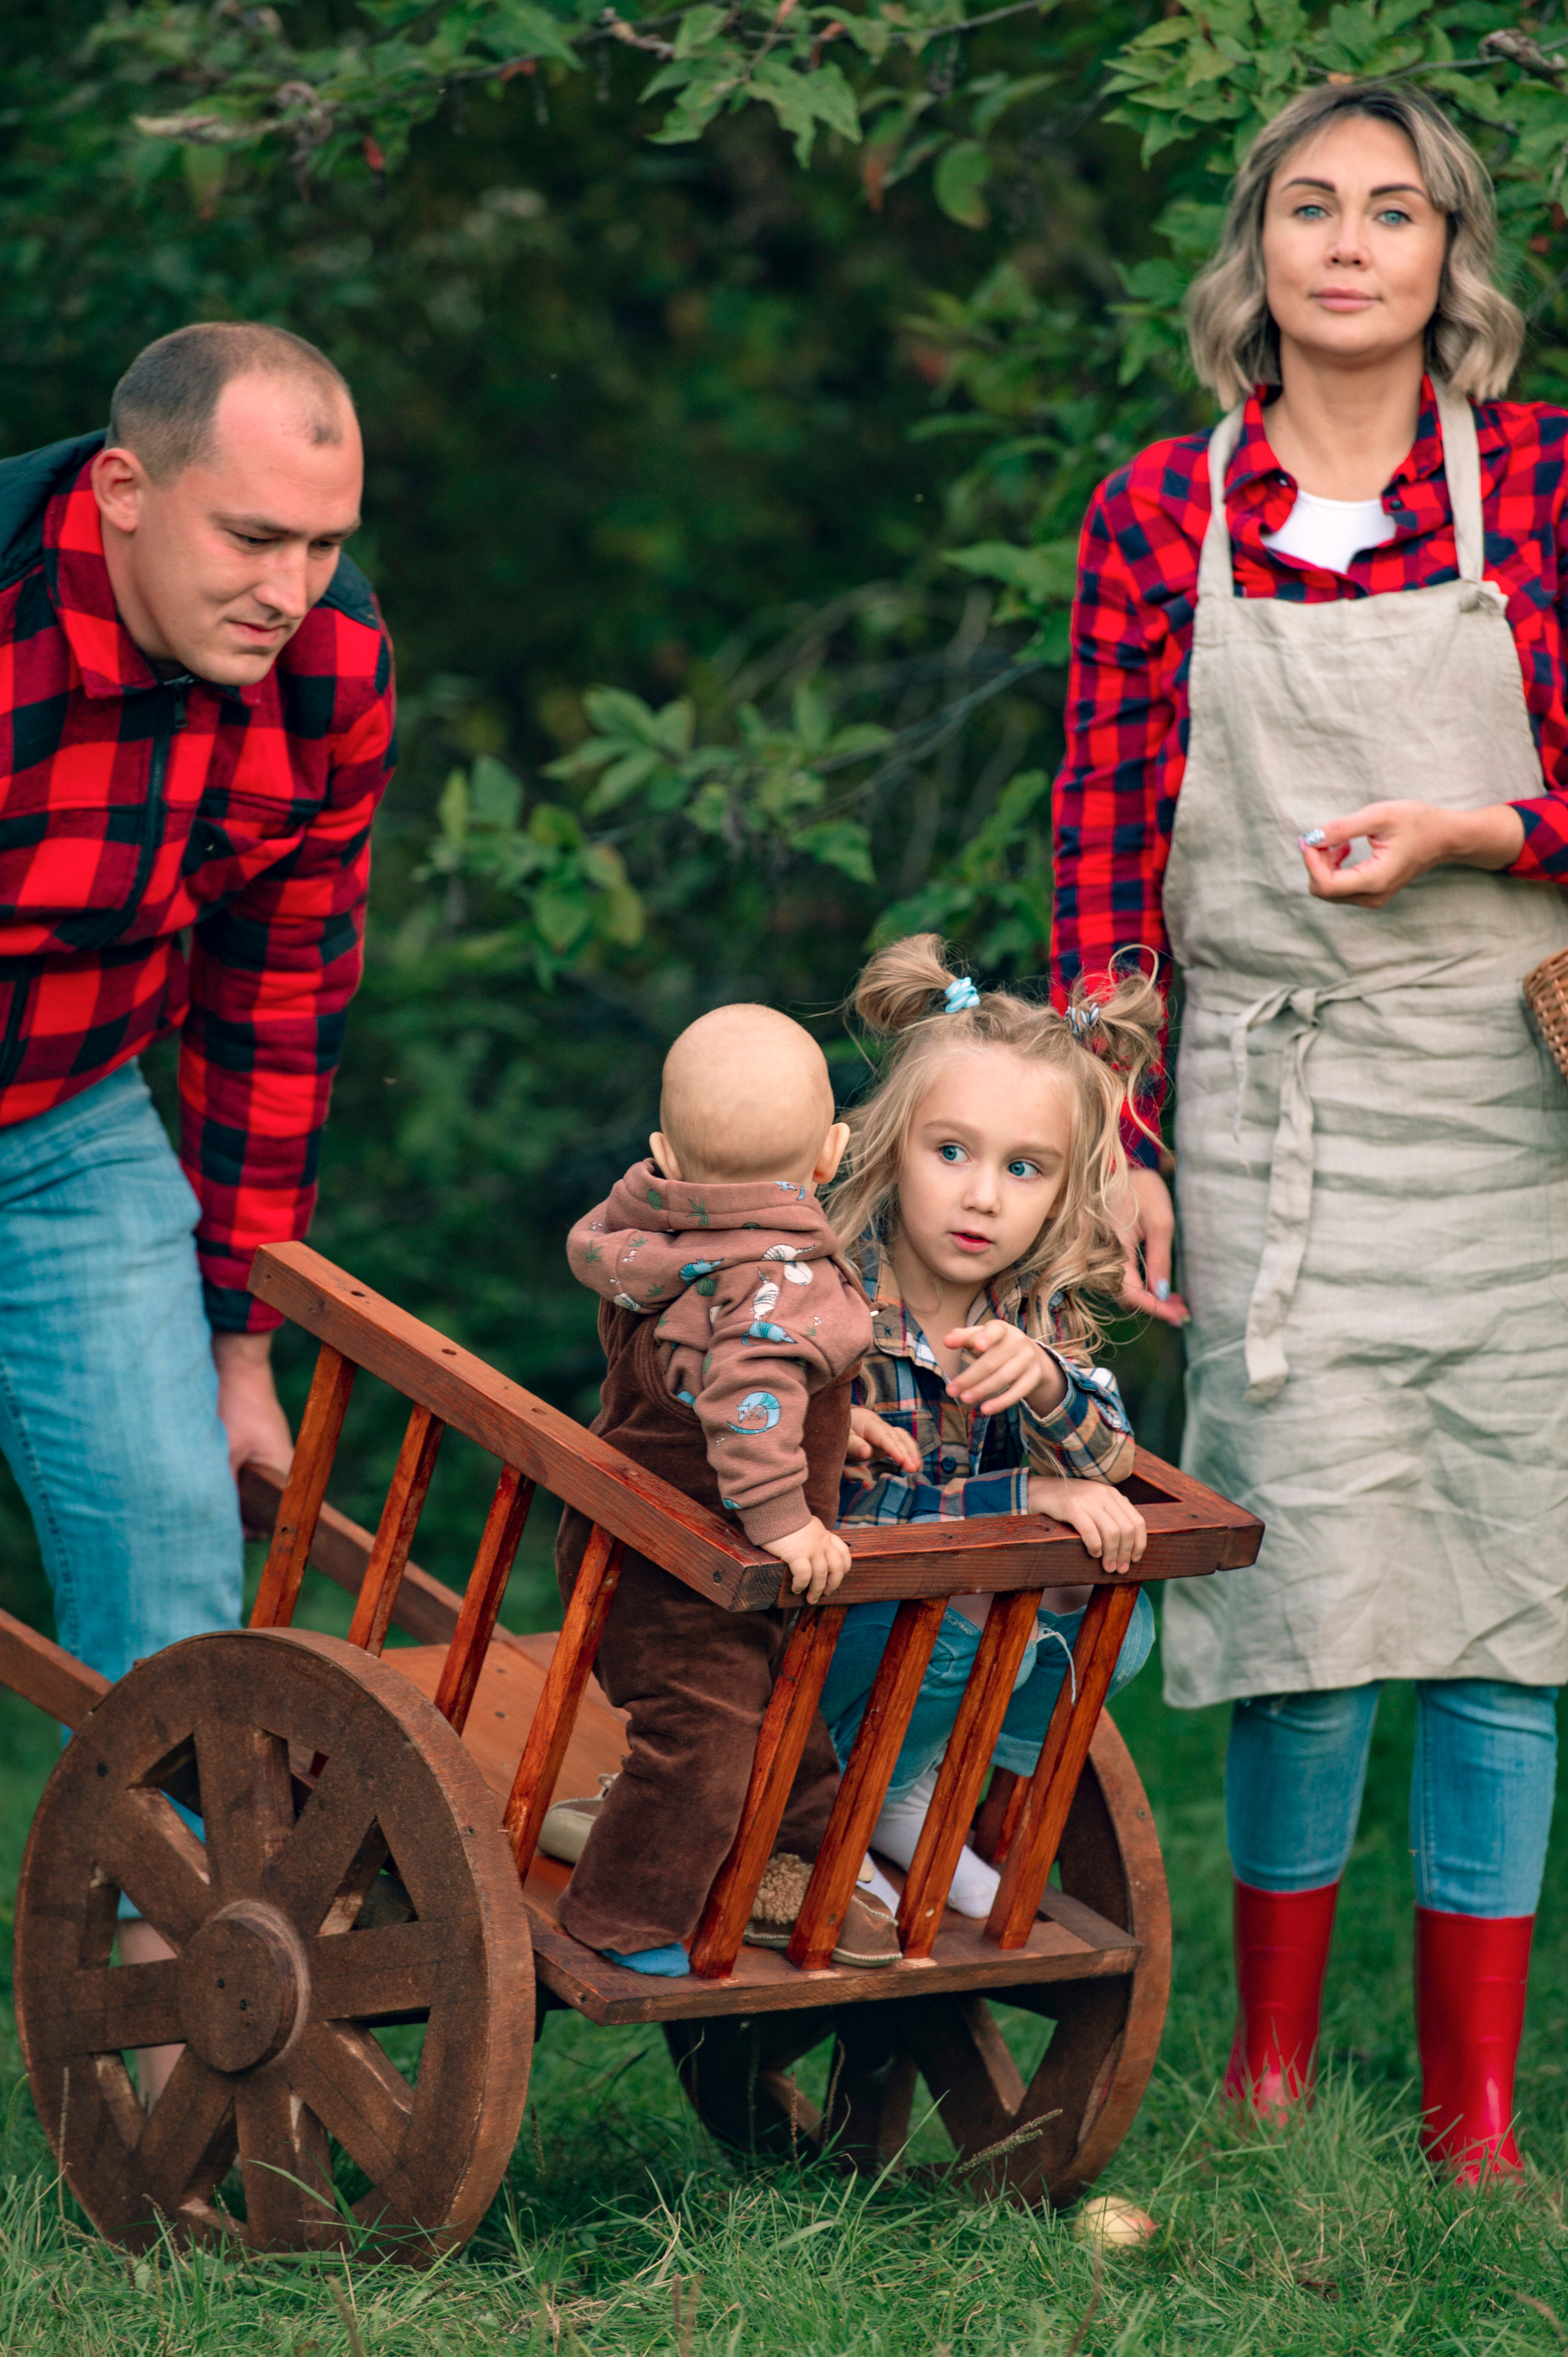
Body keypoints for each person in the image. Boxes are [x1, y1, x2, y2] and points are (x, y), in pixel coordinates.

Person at [1052, 80, 1568, 2181]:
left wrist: (1480, 828)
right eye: (1307, 207)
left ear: (1453, 258)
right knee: (1300, 1592)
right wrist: (1125, 1126)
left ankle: (1471, 2121)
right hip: (1269, 1100)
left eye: (1393, 211)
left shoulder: (1538, 483)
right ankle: (1269, 2079)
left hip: (1508, 1100)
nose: (1348, 243)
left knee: (1510, 1589)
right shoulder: (1156, 512)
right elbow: (1100, 853)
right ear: (1253, 251)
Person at [0, 321, 394, 2007]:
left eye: (323, 543)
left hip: (68, 1123)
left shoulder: (331, 675)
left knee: (172, 1552)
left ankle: (188, 2032)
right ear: (120, 493)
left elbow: (273, 1005)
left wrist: (239, 1342)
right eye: (254, 538)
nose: (293, 586)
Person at [547, 1002, 899, 1977]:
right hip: (685, 1566)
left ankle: (788, 1880)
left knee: (787, 1737)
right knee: (700, 1752)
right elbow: (747, 1393)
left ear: (665, 1153)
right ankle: (623, 1915)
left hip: (641, 1536)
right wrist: (785, 1516)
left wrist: (835, 1424)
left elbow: (721, 1383)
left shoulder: (660, 1245)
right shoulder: (784, 1279)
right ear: (831, 1153)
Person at [820, 933, 1158, 1918]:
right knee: (978, 1577)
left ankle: (913, 1780)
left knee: (1107, 1601)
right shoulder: (832, 1304)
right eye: (953, 1151)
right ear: (893, 1145)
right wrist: (1035, 1493)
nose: (981, 1196)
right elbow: (856, 1517)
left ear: (1063, 1191)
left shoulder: (1029, 1314)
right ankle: (862, 1788)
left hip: (921, 1655)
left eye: (1025, 1169)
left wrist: (1050, 1390)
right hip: (813, 1642)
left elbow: (1116, 1456)